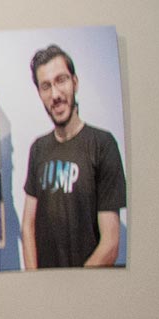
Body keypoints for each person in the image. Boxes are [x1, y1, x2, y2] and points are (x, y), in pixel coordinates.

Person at [21, 44, 125, 269]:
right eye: (46, 86)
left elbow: (111, 244)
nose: (55, 95)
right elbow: (27, 226)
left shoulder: (103, 144)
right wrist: (32, 283)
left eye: (61, 80)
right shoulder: (38, 148)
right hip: (45, 293)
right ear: (39, 94)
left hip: (89, 293)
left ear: (75, 83)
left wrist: (77, 293)